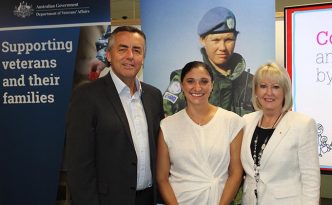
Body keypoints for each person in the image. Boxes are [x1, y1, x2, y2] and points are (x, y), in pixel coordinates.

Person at [65, 26, 164, 205]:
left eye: (137, 50)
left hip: (149, 198)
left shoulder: (153, 96)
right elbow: (78, 165)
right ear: (109, 55)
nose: (130, 56)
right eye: (122, 49)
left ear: (143, 58)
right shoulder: (86, 96)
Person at [157, 61, 244, 205]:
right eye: (190, 81)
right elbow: (162, 178)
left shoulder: (232, 122)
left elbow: (235, 173)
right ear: (182, 85)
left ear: (212, 85)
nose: (197, 87)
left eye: (204, 81)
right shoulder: (167, 126)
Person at [240, 62, 320, 205]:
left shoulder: (302, 124)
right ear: (256, 91)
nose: (269, 92)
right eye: (263, 86)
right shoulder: (246, 121)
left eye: (276, 87)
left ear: (285, 91)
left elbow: (311, 178)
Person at [163, 7, 253, 117]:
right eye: (216, 40)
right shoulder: (184, 80)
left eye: (229, 40)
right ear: (202, 40)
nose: (222, 47)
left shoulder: (252, 83)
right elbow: (166, 123)